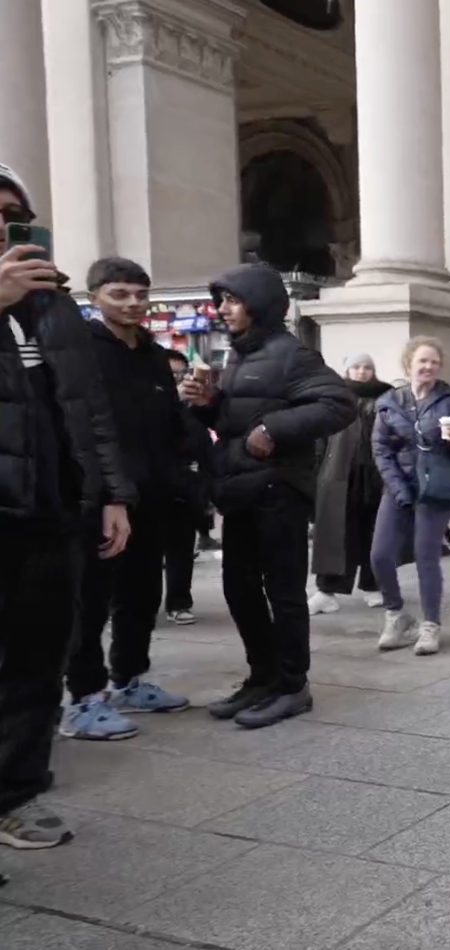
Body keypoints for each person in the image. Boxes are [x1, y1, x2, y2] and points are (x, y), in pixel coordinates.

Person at [0, 163, 133, 847]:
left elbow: (89, 409)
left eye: (14, 216)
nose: (4, 228)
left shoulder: (53, 305)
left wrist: (111, 494)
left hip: (53, 516)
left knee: (35, 662)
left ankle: (16, 796)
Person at [178, 263, 354, 729]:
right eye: (221, 301)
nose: (223, 309)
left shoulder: (292, 355)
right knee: (239, 589)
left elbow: (338, 403)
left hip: (279, 492)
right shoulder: (237, 357)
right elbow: (234, 424)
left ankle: (293, 685)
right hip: (241, 492)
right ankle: (262, 677)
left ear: (257, 303)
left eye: (232, 300)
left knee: (284, 593)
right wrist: (209, 405)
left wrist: (274, 428)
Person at [61, 257, 193, 741]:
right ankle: (83, 699)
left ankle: (129, 679)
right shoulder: (81, 351)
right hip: (100, 497)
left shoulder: (155, 355)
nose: (133, 303)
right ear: (94, 297)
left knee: (141, 594)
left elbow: (166, 425)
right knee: (91, 600)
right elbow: (85, 430)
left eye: (140, 294)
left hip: (153, 493)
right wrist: (108, 495)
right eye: (119, 294)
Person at [369, 337, 450, 655]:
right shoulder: (390, 402)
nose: (429, 366)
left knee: (425, 555)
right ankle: (396, 615)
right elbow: (380, 449)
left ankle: (430, 625)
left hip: (436, 488)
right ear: (409, 365)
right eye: (423, 361)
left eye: (434, 361)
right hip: (399, 486)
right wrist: (398, 489)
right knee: (380, 554)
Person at [309, 354, 391, 615]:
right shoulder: (334, 396)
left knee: (374, 533)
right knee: (335, 534)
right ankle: (326, 590)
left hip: (376, 477)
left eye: (368, 367)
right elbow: (319, 438)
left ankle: (372, 585)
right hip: (339, 475)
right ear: (347, 370)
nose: (362, 372)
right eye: (357, 367)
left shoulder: (386, 397)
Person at [161, 348, 211, 625]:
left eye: (181, 373)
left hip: (185, 488)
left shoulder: (193, 409)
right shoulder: (144, 402)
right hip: (148, 487)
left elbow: (203, 445)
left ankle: (179, 602)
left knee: (181, 548)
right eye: (170, 374)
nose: (177, 379)